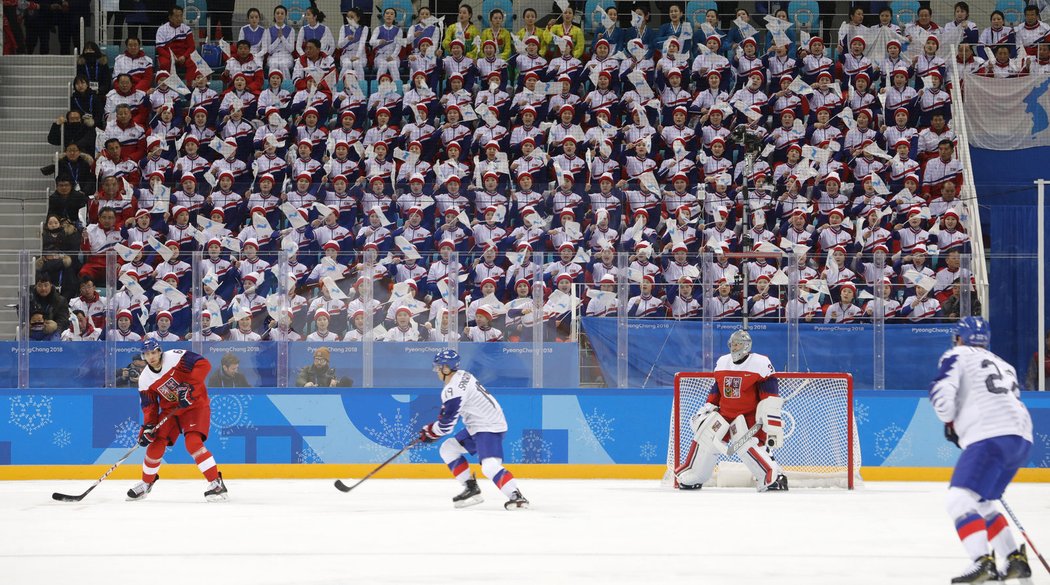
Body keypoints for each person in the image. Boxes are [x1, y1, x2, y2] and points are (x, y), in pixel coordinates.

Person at [929, 317, 1033, 583]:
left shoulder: (956, 354)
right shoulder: (1004, 363)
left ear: (959, 338)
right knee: (982, 501)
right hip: (1021, 438)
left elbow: (942, 392)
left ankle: (981, 562)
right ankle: (1014, 559)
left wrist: (949, 420)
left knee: (958, 500)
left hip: (990, 435)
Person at [674, 329, 788, 492]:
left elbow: (769, 390)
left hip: (748, 416)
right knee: (706, 436)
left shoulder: (760, 363)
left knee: (750, 445)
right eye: (732, 344)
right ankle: (695, 474)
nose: (734, 347)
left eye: (738, 344)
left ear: (747, 346)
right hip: (725, 414)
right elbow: (717, 389)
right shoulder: (722, 362)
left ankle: (772, 476)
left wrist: (768, 413)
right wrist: (708, 407)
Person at [419, 349, 529, 510]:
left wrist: (430, 432)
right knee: (448, 448)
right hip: (479, 425)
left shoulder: (452, 390)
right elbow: (447, 417)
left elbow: (446, 426)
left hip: (488, 426)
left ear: (446, 368)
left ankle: (516, 496)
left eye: (438, 367)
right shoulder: (463, 374)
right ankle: (471, 488)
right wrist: (432, 430)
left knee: (490, 466)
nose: (436, 370)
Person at [126, 339, 228, 502]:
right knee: (156, 442)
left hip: (195, 405)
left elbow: (204, 364)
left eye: (153, 352)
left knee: (193, 443)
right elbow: (150, 406)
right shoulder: (145, 378)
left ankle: (216, 483)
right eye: (147, 354)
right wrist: (148, 427)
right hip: (170, 412)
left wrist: (189, 387)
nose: (151, 357)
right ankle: (146, 483)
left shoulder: (175, 357)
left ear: (160, 351)